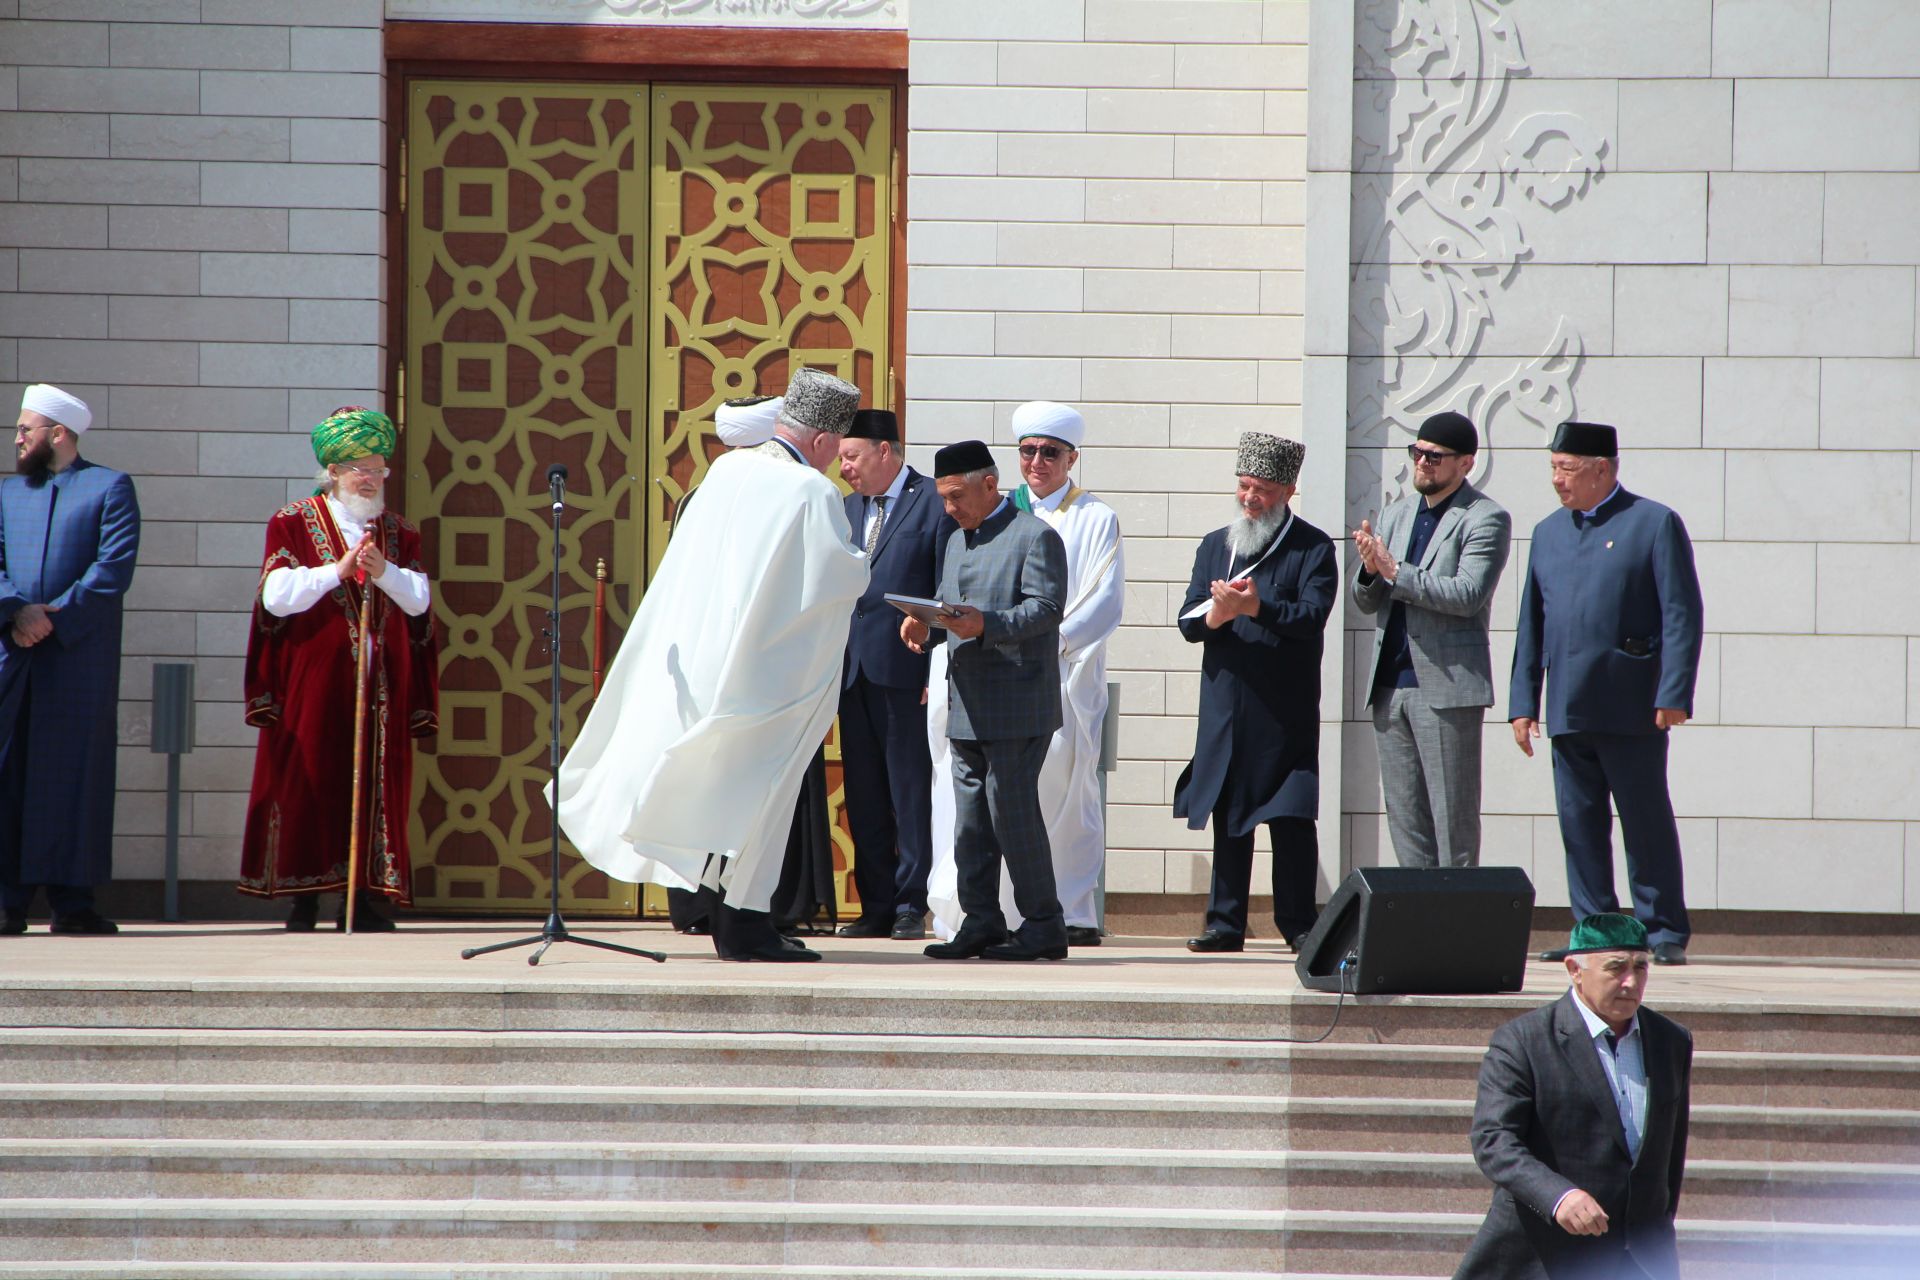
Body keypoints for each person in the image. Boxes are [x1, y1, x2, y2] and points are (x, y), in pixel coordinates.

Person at [554, 367, 867, 962]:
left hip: (705, 662)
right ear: (825, 441)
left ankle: (730, 916)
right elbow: (833, 578)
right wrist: (865, 562)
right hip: (765, 676)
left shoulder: (726, 470)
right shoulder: (811, 491)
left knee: (718, 792)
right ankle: (745, 925)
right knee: (759, 800)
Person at [238, 407, 439, 931]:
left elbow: (419, 601)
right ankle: (304, 897)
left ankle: (367, 897)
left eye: (378, 468)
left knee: (376, 783)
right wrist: (337, 571)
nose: (370, 478)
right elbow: (276, 597)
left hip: (381, 685)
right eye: (359, 468)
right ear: (333, 471)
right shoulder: (292, 521)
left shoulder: (398, 532)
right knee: (311, 784)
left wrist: (384, 571)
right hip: (314, 680)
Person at [1509, 421, 1703, 967]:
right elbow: (1533, 622)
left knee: (1645, 821)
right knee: (1579, 824)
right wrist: (1524, 701)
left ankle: (1662, 928)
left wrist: (1674, 692)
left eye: (1566, 469)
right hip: (1568, 704)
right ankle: (1595, 930)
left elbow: (1681, 614)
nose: (1556, 480)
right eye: (1552, 468)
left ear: (1602, 469)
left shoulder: (1652, 523)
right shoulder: (1548, 532)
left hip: (1634, 703)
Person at [901, 440, 1069, 962]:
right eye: (943, 499)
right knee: (970, 821)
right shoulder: (955, 540)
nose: (948, 509)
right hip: (966, 704)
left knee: (1011, 814)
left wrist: (986, 625)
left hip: (1018, 704)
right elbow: (953, 611)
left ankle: (1043, 925)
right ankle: (981, 921)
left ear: (989, 484)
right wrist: (925, 623)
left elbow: (1046, 610)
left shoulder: (1034, 536)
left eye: (956, 497)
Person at [1455, 912, 1693, 1280]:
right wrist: (1558, 1196)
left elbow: (1670, 1153)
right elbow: (1493, 1139)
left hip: (1640, 1259)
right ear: (1574, 969)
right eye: (1616, 968)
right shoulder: (1524, 1041)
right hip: (1545, 1256)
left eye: (1641, 968)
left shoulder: (1670, 1041)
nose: (1631, 982)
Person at [1174, 432, 1336, 953]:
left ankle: (1298, 923)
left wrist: (1257, 609)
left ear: (1288, 489)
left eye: (1262, 489)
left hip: (1283, 707)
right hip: (1226, 704)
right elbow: (1188, 618)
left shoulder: (1312, 548)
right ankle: (1225, 923)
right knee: (1230, 812)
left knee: (1291, 817)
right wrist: (1217, 615)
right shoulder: (1215, 545)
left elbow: (1311, 617)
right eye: (1244, 486)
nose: (1250, 498)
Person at [0, 385, 140, 936]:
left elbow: (112, 570)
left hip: (77, 660)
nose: (16, 438)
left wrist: (51, 618)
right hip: (13, 654)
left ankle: (71, 902)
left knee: (73, 780)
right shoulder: (10, 494)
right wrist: (15, 610)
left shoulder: (109, 487)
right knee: (9, 776)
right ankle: (8, 902)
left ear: (57, 435)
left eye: (24, 428)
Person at [1351, 411, 1511, 868]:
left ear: (1465, 464)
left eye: (1435, 456)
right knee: (1406, 822)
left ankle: (1459, 931)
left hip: (1445, 687)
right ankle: (1419, 930)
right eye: (1417, 452)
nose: (1423, 462)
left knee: (1452, 824)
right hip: (1390, 687)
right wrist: (1369, 571)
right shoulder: (1396, 513)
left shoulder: (1484, 517)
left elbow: (1467, 594)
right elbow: (1367, 602)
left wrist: (1394, 571)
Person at [835, 407, 952, 941]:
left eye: (852, 457)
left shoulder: (933, 502)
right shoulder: (844, 509)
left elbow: (950, 588)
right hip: (853, 672)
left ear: (886, 451)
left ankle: (911, 902)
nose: (845, 469)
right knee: (863, 793)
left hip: (909, 671)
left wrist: (936, 656)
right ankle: (876, 903)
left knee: (909, 790)